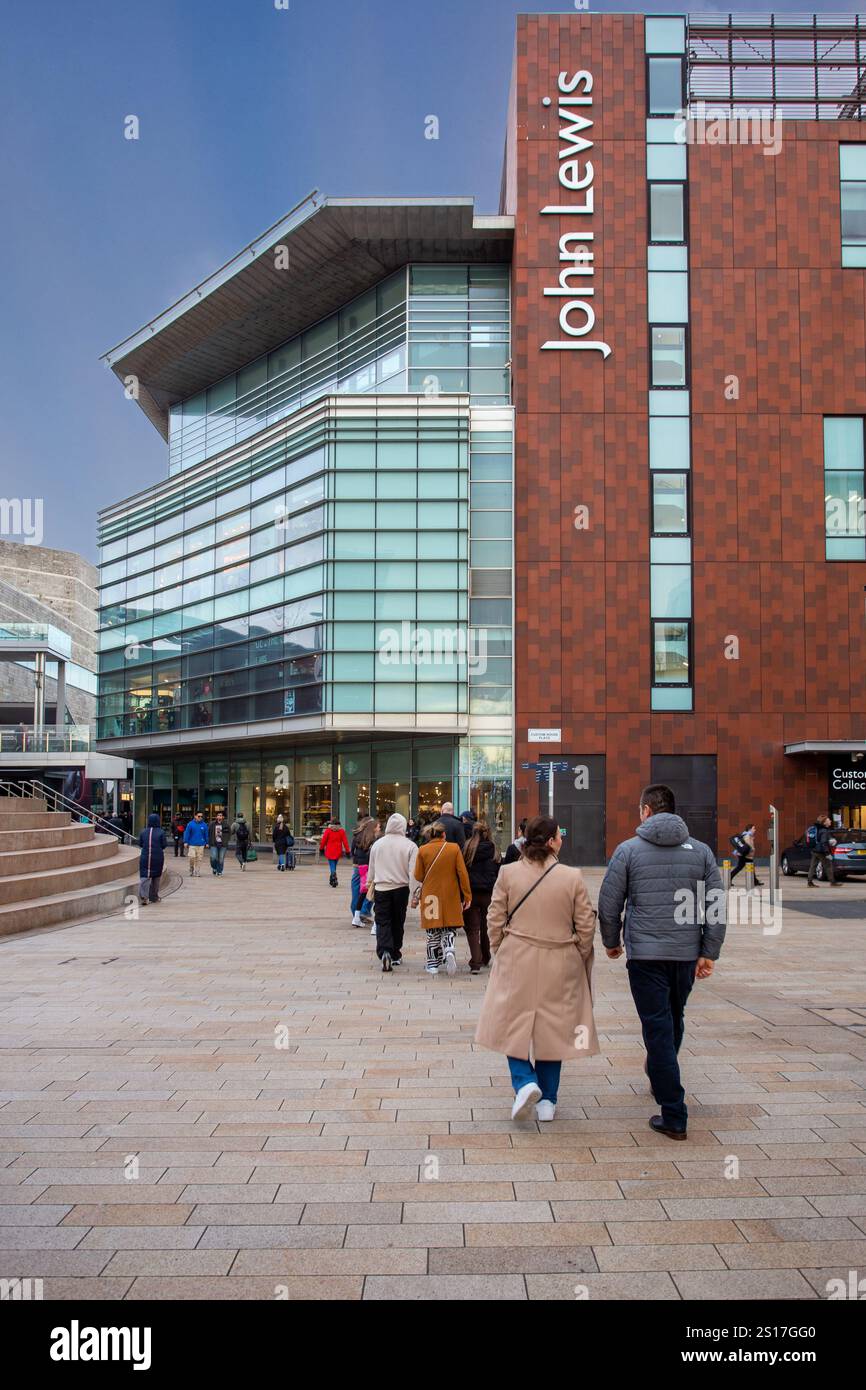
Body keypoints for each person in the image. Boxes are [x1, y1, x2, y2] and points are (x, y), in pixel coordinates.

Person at [598, 783, 726, 1142]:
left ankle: (674, 1112)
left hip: (646, 956)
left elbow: (610, 903)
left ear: (647, 811)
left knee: (657, 1027)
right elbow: (715, 906)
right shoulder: (701, 852)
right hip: (686, 954)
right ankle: (661, 1075)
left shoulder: (628, 851)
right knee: (673, 1018)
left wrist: (612, 942)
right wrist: (708, 951)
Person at [475, 815, 598, 1121]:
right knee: (553, 1028)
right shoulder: (571, 876)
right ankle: (548, 1101)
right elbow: (585, 924)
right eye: (560, 835)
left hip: (517, 955)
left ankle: (524, 1081)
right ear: (553, 841)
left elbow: (495, 917)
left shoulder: (508, 873)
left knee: (510, 1023)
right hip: (560, 957)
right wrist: (580, 953)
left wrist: (497, 947)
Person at [412, 821, 471, 976]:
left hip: (431, 895)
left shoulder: (423, 850)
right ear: (443, 834)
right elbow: (462, 874)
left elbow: (418, 875)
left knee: (433, 930)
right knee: (449, 926)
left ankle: (432, 965)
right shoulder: (454, 848)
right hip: (450, 894)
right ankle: (449, 948)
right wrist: (467, 895)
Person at [368, 813, 418, 971]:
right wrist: (415, 894)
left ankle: (385, 951)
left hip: (381, 887)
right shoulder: (410, 845)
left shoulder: (378, 844)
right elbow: (414, 873)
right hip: (401, 888)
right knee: (398, 921)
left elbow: (372, 868)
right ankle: (395, 953)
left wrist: (370, 882)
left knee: (382, 921)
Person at [462, 821, 501, 975]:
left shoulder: (467, 848)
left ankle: (475, 962)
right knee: (486, 927)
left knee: (472, 929)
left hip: (470, 893)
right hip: (488, 893)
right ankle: (485, 956)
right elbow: (498, 871)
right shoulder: (494, 849)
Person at [350, 817, 379, 926]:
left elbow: (352, 850)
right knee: (369, 888)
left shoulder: (357, 836)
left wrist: (355, 859)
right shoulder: (373, 838)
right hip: (368, 866)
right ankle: (363, 911)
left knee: (356, 889)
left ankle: (355, 913)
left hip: (357, 866)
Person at [138, 812, 166, 907]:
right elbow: (164, 845)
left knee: (145, 876)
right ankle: (154, 897)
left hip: (145, 856)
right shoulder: (161, 832)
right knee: (156, 877)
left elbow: (140, 844)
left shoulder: (143, 831)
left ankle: (144, 897)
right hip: (157, 857)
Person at [807, 815, 840, 887]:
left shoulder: (818, 829)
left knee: (812, 866)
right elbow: (824, 842)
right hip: (822, 851)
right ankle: (833, 882)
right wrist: (827, 853)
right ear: (824, 822)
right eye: (828, 820)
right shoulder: (824, 831)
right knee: (828, 866)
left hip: (815, 850)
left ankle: (809, 882)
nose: (830, 821)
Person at [320, 818, 350, 887]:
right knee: (334, 864)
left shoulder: (328, 831)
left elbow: (324, 840)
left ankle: (333, 875)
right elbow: (345, 842)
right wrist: (347, 851)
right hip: (338, 850)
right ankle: (333, 878)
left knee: (332, 864)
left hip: (329, 850)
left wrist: (321, 848)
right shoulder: (341, 831)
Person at [183, 811, 208, 876]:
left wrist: (207, 842)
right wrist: (186, 842)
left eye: (201, 816)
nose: (200, 818)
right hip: (192, 844)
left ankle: (197, 871)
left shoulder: (204, 825)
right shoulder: (190, 824)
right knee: (192, 857)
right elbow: (187, 833)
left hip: (201, 844)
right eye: (199, 816)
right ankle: (191, 869)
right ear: (195, 816)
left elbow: (206, 834)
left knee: (199, 859)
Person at [208, 812, 227, 876]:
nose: (219, 817)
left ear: (223, 817)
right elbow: (209, 833)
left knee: (221, 859)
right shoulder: (212, 824)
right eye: (218, 815)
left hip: (223, 845)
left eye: (221, 815)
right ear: (216, 817)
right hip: (214, 844)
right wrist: (209, 842)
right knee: (214, 858)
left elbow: (228, 834)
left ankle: (219, 871)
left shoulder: (226, 824)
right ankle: (214, 868)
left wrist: (225, 841)